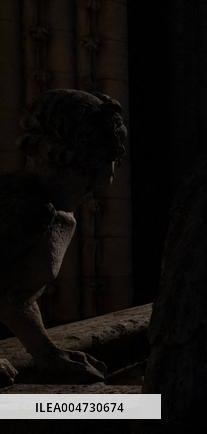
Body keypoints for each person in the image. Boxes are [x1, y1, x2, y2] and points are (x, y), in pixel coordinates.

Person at [0, 90, 127, 383]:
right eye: (89, 174)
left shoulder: (58, 216)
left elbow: (15, 296)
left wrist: (45, 352)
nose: (106, 180)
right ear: (61, 157)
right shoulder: (22, 208)